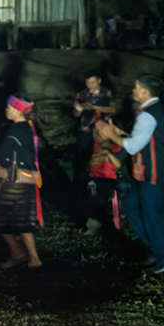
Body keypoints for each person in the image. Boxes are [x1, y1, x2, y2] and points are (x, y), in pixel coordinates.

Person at [95, 74, 164, 274]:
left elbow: (132, 147)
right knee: (130, 205)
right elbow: (143, 138)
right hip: (144, 174)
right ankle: (156, 248)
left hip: (152, 174)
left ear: (145, 91)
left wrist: (110, 134)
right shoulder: (152, 111)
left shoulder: (148, 115)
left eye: (136, 87)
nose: (133, 90)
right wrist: (120, 133)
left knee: (153, 216)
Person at [0, 94, 44, 269]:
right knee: (21, 220)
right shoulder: (26, 129)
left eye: (8, 106)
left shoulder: (16, 131)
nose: (6, 109)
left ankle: (18, 253)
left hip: (16, 183)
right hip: (25, 180)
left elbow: (4, 159)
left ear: (17, 109)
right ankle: (33, 258)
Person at [73, 71, 117, 230]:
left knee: (101, 155)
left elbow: (112, 108)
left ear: (99, 80)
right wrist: (78, 109)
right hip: (85, 130)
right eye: (88, 83)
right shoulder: (82, 94)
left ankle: (104, 182)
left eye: (92, 82)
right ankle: (85, 182)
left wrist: (93, 106)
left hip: (102, 130)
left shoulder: (106, 92)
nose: (90, 85)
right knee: (83, 159)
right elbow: (76, 114)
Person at [85, 120, 123, 235]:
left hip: (108, 178)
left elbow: (118, 164)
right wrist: (92, 161)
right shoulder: (94, 145)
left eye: (100, 132)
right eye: (95, 132)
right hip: (94, 177)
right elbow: (89, 163)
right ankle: (95, 221)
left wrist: (107, 155)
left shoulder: (115, 146)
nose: (97, 135)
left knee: (101, 198)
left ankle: (94, 223)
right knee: (92, 197)